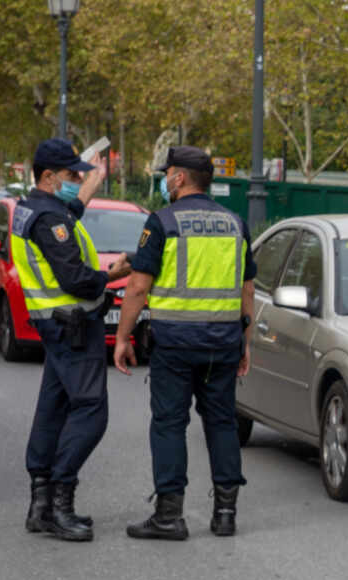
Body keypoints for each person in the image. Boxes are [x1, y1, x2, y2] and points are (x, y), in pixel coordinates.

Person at [113, 145, 255, 539]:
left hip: (175, 344)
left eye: (168, 172)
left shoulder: (162, 222)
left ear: (179, 178)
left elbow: (138, 288)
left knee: (169, 424)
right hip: (223, 343)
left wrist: (123, 338)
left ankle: (168, 516)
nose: (165, 178)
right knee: (222, 423)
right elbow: (247, 289)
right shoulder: (235, 224)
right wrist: (246, 340)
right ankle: (225, 514)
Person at [20, 138, 133, 543]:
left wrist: (93, 177)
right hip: (74, 325)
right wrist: (117, 273)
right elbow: (78, 280)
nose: (75, 181)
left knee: (52, 409)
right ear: (48, 177)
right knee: (90, 412)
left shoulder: (32, 208)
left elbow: (72, 209)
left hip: (53, 326)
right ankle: (60, 502)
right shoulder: (51, 221)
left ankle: (40, 507)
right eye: (70, 176)